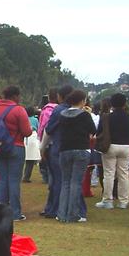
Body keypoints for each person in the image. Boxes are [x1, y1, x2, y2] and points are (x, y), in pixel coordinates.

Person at [0, 86, 32, 220]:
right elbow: (27, 131)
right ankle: (15, 213)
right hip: (15, 147)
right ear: (15, 96)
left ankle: (0, 212)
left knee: (2, 180)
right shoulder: (18, 110)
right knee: (14, 180)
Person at [56, 90, 96, 223]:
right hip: (81, 149)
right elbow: (93, 130)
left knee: (65, 182)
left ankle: (61, 213)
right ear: (82, 101)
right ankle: (73, 214)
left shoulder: (62, 114)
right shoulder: (84, 115)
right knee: (76, 183)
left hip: (64, 150)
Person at [41, 84, 75, 219]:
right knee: (69, 181)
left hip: (57, 148)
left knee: (57, 181)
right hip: (72, 148)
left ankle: (53, 208)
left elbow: (48, 130)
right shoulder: (79, 111)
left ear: (60, 97)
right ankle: (65, 207)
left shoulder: (58, 110)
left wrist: (42, 148)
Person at [95, 94, 129, 210]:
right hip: (126, 146)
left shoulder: (107, 117)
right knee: (124, 174)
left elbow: (99, 132)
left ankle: (107, 200)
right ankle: (123, 201)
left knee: (109, 174)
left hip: (110, 146)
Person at [23, 106, 41, 183]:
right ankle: (26, 176)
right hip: (33, 138)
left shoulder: (24, 119)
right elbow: (38, 128)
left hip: (24, 138)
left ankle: (23, 176)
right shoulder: (35, 120)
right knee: (31, 160)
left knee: (24, 159)